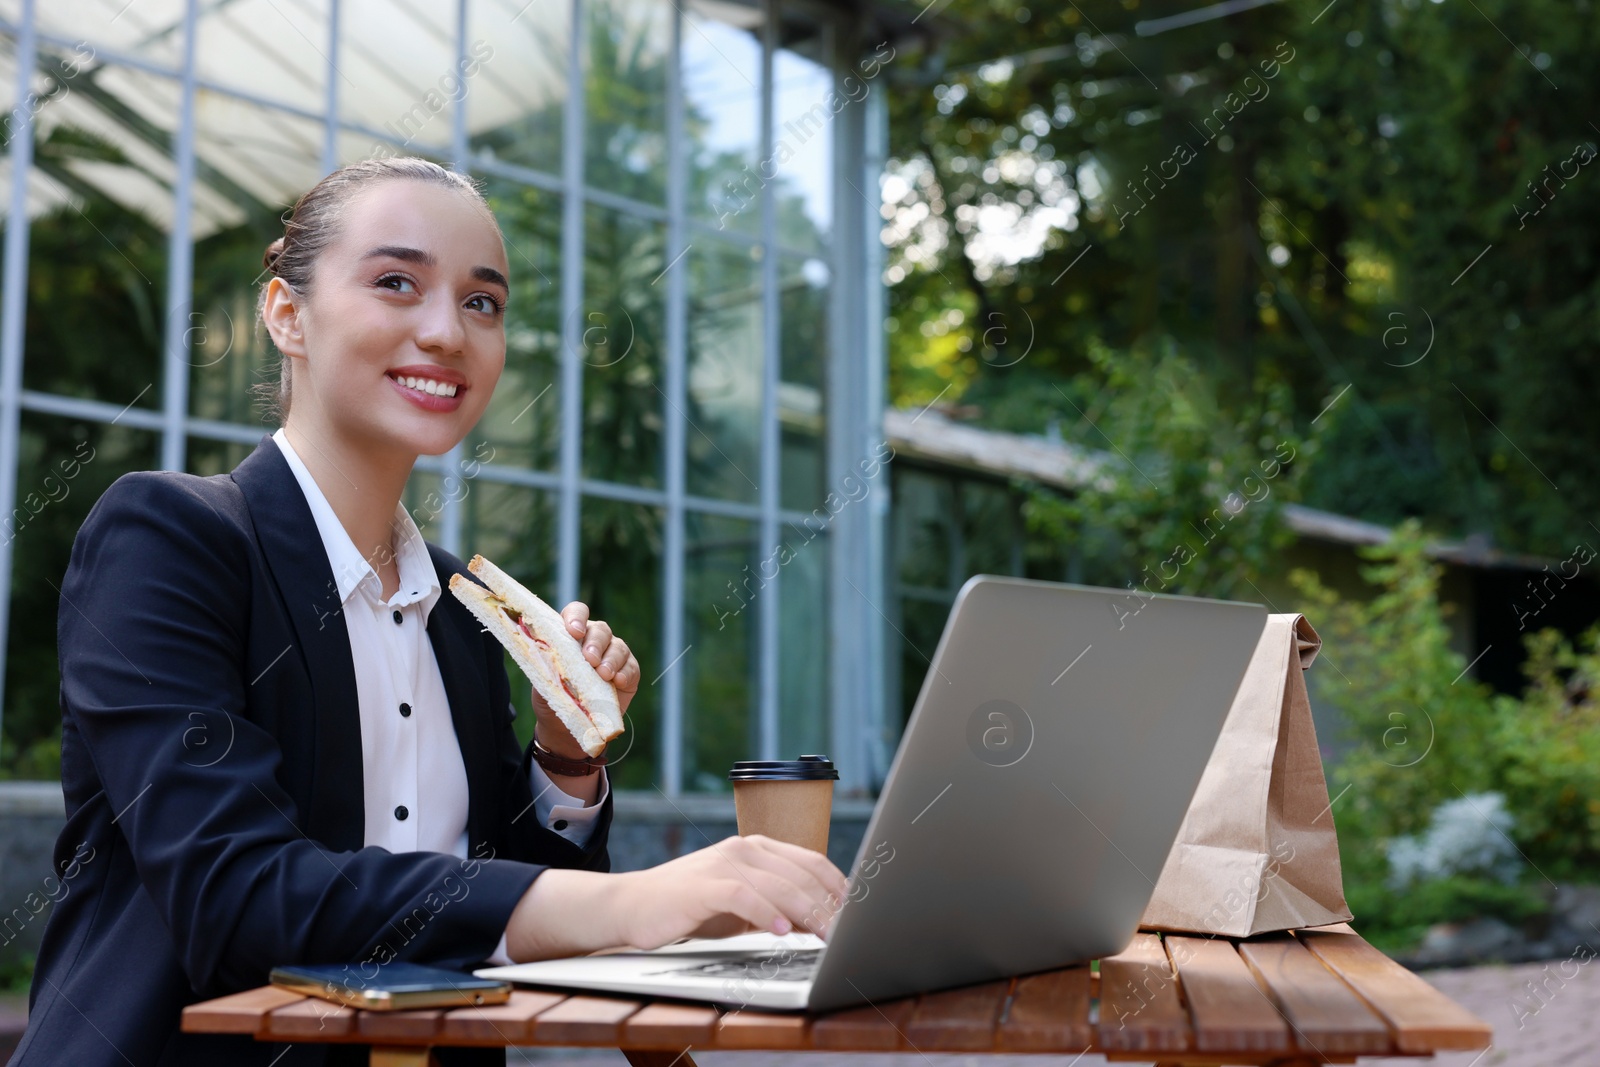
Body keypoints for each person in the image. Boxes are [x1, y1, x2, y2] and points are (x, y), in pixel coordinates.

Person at [14, 157, 847, 1067]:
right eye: (395, 282)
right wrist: (642, 901)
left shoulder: (460, 609)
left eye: (482, 303)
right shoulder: (171, 538)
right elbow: (237, 891)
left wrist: (564, 766)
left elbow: (499, 908)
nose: (447, 331)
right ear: (287, 313)